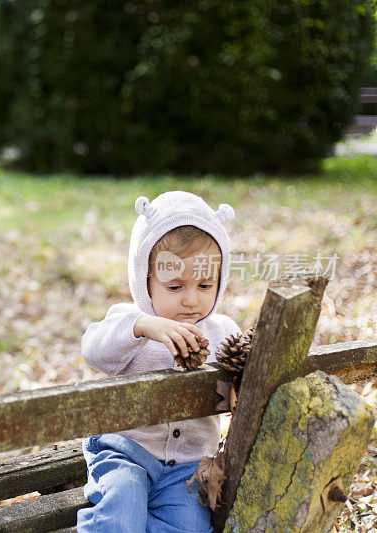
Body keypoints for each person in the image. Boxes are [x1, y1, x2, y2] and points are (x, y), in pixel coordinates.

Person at [77, 191, 242, 532]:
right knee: (122, 507)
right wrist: (143, 326)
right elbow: (93, 349)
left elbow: (240, 391)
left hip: (187, 466)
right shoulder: (131, 322)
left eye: (205, 284)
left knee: (190, 526)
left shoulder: (224, 332)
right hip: (126, 450)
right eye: (175, 286)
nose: (191, 299)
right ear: (146, 281)